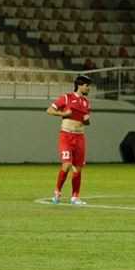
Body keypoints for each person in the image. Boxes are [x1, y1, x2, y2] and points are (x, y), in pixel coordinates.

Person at [46, 75, 92, 205]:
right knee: (66, 165)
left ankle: (75, 197)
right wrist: (63, 114)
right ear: (80, 85)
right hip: (66, 135)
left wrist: (87, 120)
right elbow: (49, 110)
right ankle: (57, 193)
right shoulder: (66, 98)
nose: (88, 88)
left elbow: (86, 121)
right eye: (87, 86)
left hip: (80, 137)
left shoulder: (86, 102)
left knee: (78, 169)